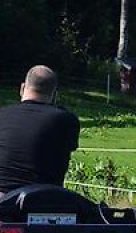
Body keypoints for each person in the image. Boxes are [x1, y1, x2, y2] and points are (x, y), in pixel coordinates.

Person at [0, 65, 80, 195]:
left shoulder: (2, 115)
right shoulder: (66, 120)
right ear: (54, 94)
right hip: (46, 199)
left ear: (22, 88)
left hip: (4, 200)